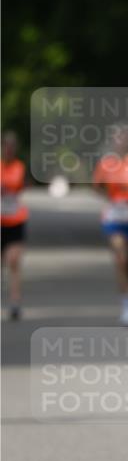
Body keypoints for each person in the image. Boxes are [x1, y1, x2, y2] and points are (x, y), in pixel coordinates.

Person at [92, 126, 128, 325]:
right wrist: (111, 199)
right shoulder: (106, 164)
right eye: (118, 138)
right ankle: (126, 305)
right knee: (120, 258)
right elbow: (97, 186)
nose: (121, 141)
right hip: (114, 217)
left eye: (125, 137)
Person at [1, 131, 29, 320]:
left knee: (13, 261)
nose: (9, 150)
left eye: (13, 146)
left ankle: (15, 302)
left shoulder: (20, 167)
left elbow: (25, 186)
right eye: (6, 146)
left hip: (16, 219)